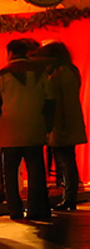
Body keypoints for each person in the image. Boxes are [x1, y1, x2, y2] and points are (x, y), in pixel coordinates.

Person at [0, 39, 53, 220]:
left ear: (10, 53)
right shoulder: (41, 73)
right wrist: (48, 125)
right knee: (36, 172)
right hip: (35, 128)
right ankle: (34, 208)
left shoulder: (4, 74)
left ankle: (15, 209)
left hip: (9, 131)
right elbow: (49, 101)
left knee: (10, 173)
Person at [39, 42, 86, 212]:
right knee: (66, 161)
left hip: (62, 124)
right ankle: (69, 196)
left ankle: (69, 198)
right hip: (65, 124)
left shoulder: (61, 74)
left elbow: (65, 103)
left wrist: (61, 123)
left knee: (66, 161)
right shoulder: (68, 71)